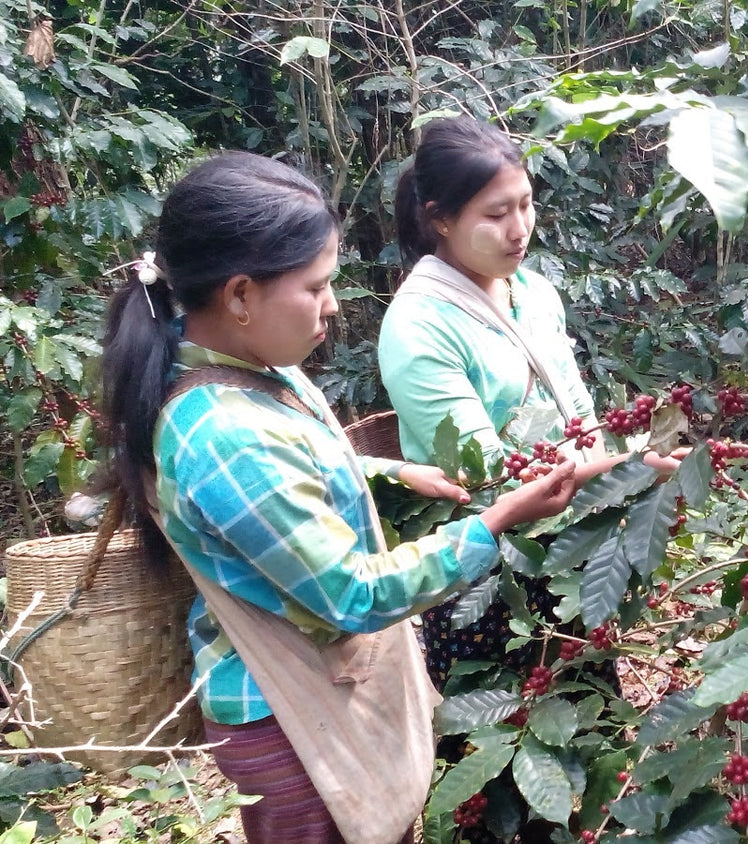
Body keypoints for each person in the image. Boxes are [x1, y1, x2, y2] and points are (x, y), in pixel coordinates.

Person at [98, 151, 578, 843]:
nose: (332, 306)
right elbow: (352, 596)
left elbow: (279, 484)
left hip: (309, 701)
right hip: (291, 723)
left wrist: (385, 474)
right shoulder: (224, 436)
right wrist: (496, 522)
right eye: (316, 286)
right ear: (239, 296)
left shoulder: (235, 368)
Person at [380, 115, 684, 686]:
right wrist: (630, 467)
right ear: (440, 220)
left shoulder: (535, 291)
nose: (519, 229)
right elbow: (492, 474)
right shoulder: (418, 326)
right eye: (495, 215)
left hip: (570, 540)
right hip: (490, 561)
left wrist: (618, 479)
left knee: (590, 712)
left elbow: (579, 415)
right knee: (489, 732)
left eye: (525, 204)